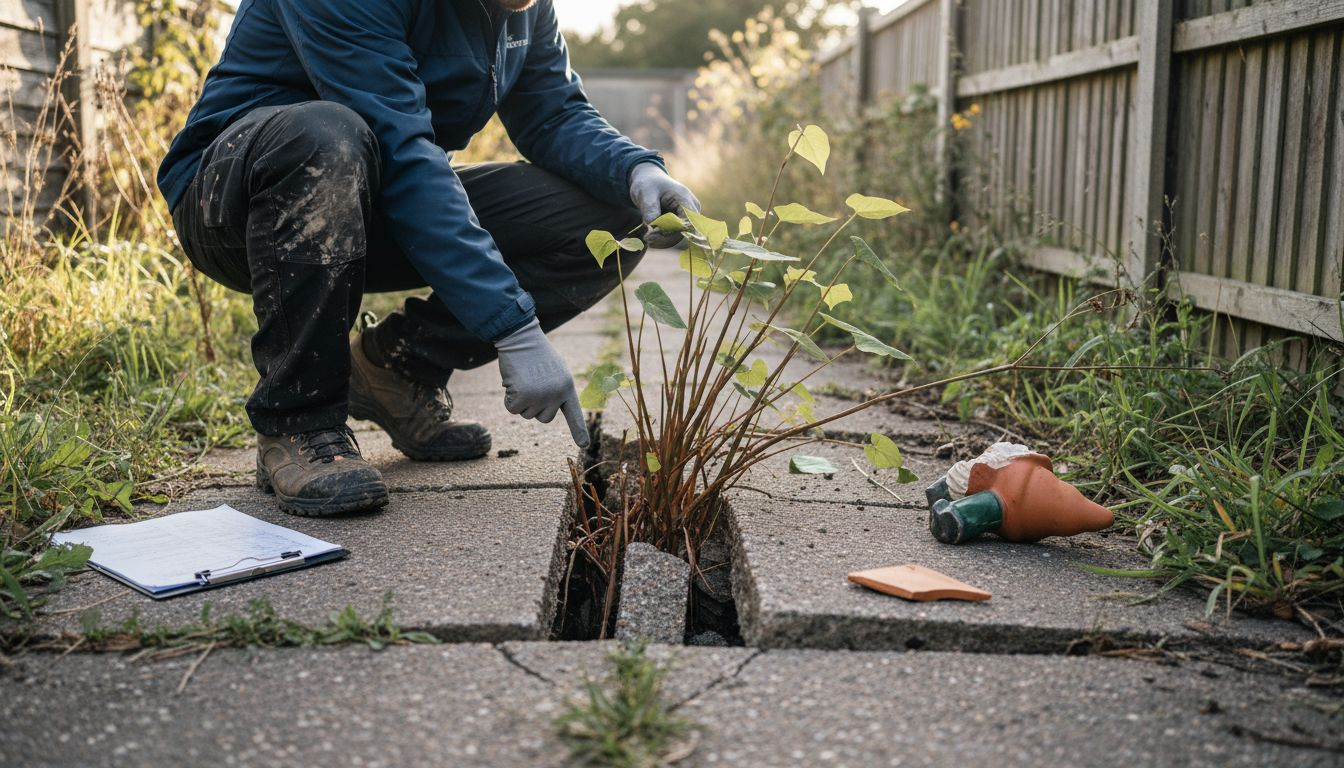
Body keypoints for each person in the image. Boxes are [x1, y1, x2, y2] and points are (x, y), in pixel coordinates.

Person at [158, 0, 699, 517]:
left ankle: (397, 369)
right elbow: (401, 146)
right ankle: (298, 422)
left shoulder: (523, 8)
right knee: (327, 131)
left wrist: (634, 169)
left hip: (373, 191)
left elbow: (551, 111)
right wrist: (514, 327)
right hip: (240, 204)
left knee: (611, 220)